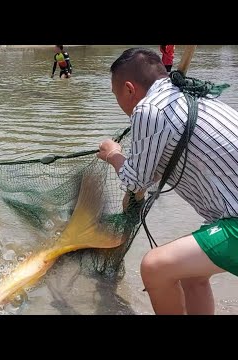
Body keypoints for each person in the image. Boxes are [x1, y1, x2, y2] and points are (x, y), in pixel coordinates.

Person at [97, 47, 238, 315]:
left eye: (117, 97)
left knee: (155, 266)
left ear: (129, 89)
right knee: (191, 274)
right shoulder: (188, 94)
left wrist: (113, 154)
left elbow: (137, 181)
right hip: (231, 218)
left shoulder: (149, 109)